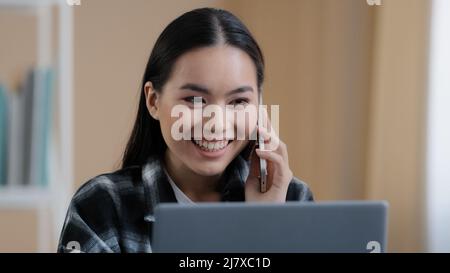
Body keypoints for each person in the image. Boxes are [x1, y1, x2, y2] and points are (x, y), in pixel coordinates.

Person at [58, 7, 313, 253]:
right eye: (194, 100)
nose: (217, 124)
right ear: (153, 101)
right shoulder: (103, 206)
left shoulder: (292, 200)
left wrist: (263, 226)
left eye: (238, 102)